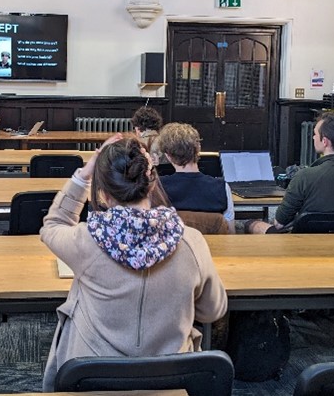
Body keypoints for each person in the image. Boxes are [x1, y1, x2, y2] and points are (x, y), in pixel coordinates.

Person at [40, 133, 228, 391]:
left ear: (104, 195)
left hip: (91, 382)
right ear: (151, 184)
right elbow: (212, 310)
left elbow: (53, 224)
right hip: (170, 384)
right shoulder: (191, 242)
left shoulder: (85, 240)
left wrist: (85, 174)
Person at [247, 111, 334, 234]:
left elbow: (279, 223)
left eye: (315, 134)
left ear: (325, 142)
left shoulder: (304, 176)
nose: (313, 137)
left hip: (304, 246)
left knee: (252, 224)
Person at [158, 123, 236, 233]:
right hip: (213, 249)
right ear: (198, 149)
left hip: (174, 248)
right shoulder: (222, 188)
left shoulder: (157, 188)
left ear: (168, 156)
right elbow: (230, 233)